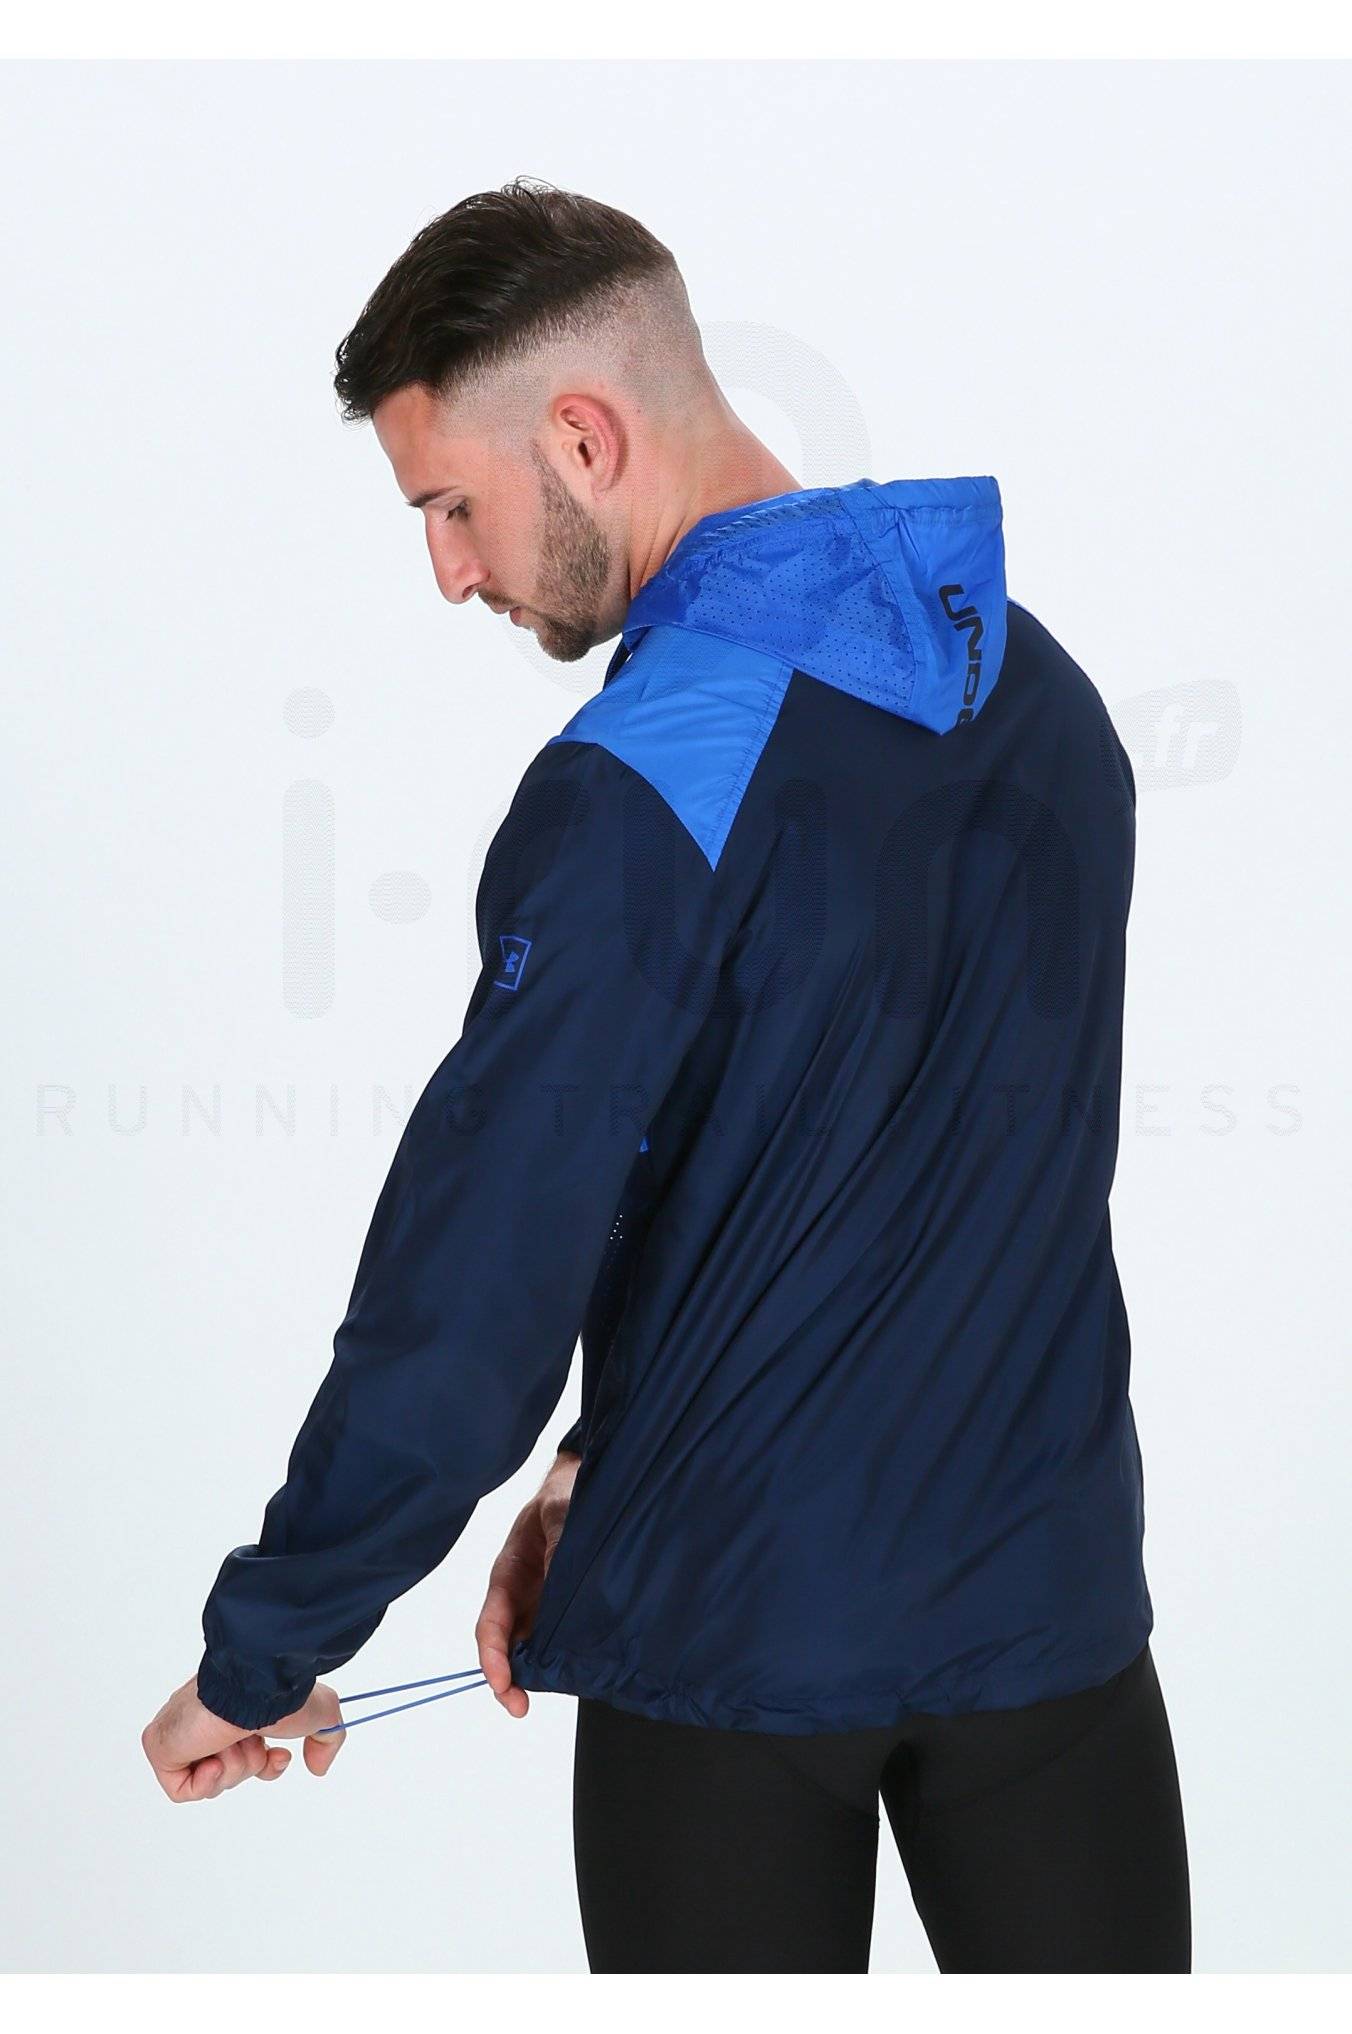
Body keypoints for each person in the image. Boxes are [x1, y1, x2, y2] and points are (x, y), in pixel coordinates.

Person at [141, 178, 1190, 1974]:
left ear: (582, 435)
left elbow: (478, 1283)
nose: (449, 570)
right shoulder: (1041, 696)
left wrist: (267, 1647)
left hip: (726, 1673)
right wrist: (591, 1467)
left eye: (450, 505)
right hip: (1057, 1637)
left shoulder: (639, 783)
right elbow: (868, 1174)